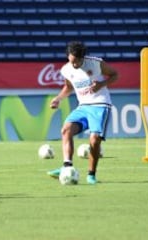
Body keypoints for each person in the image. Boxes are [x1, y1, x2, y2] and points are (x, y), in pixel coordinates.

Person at [47, 41, 118, 184]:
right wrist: (58, 99)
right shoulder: (66, 69)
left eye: (77, 61)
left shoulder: (96, 63)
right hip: (83, 106)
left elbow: (115, 75)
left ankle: (91, 175)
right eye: (72, 61)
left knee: (95, 139)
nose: (74, 65)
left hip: (100, 104)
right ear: (68, 57)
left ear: (83, 58)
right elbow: (68, 87)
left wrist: (101, 85)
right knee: (66, 130)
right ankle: (67, 167)